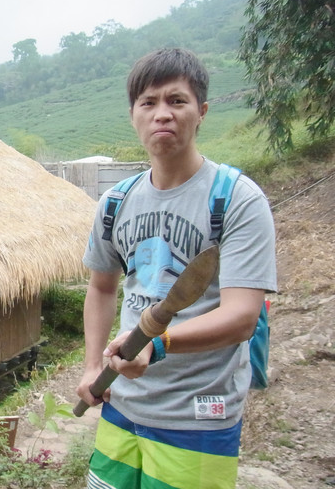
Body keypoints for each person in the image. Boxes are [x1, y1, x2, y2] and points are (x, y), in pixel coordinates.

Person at [76, 48, 277, 488]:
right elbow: (102, 289)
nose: (161, 114)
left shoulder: (238, 200)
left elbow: (242, 317)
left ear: (201, 112)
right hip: (123, 405)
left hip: (197, 417)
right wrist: (94, 366)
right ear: (133, 114)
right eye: (148, 103)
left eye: (177, 101)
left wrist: (156, 343)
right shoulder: (115, 203)